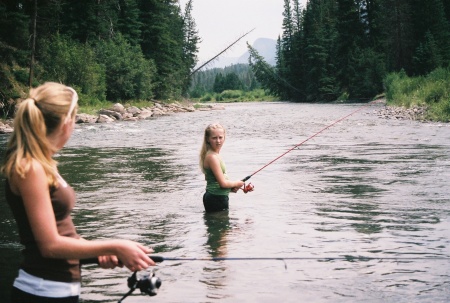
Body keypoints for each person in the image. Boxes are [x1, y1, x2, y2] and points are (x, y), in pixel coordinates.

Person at [1, 82, 155, 303]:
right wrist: (116, 245)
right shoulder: (30, 168)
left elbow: (62, 233)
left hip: (59, 291)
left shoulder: (44, 164)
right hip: (41, 292)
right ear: (66, 122)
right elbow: (50, 246)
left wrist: (95, 252)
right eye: (75, 116)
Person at [199, 123, 244, 212]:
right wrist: (237, 183)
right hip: (215, 199)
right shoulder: (212, 157)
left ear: (224, 138)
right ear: (208, 139)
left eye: (220, 137)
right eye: (214, 138)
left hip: (218, 197)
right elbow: (223, 184)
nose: (218, 141)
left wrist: (235, 188)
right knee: (222, 226)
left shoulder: (215, 155)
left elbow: (216, 183)